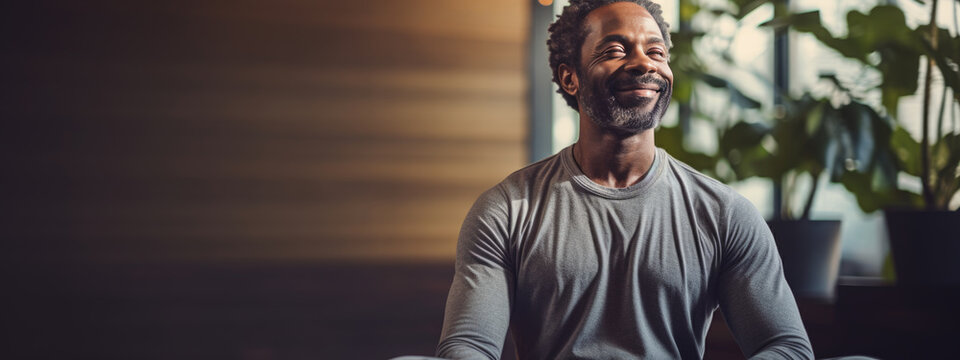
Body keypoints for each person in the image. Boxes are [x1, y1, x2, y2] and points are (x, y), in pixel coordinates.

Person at [436, 1, 814, 359]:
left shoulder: (725, 214)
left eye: (656, 52)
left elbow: (786, 346)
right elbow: (468, 346)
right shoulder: (506, 211)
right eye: (615, 50)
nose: (643, 64)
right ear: (571, 79)